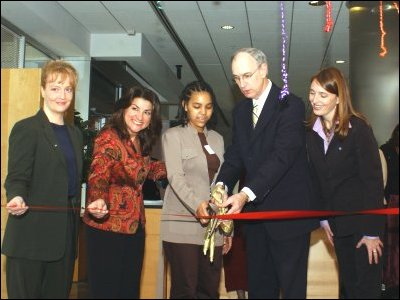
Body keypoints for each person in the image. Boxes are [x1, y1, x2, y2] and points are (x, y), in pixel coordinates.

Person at [215, 48, 318, 299]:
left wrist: (245, 194)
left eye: (247, 75)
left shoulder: (290, 105)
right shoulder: (240, 112)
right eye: (237, 78)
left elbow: (282, 157)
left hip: (288, 217)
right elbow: (236, 156)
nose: (242, 84)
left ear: (264, 69)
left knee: (293, 291)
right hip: (255, 221)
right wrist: (220, 185)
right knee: (260, 290)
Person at [2, 60, 83, 298]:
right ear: (42, 91)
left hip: (65, 239)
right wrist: (16, 195)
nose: (62, 95)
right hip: (31, 237)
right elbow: (17, 175)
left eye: (68, 89)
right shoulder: (27, 128)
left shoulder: (75, 134)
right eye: (55, 88)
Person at [306, 67, 385, 299]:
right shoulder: (312, 133)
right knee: (348, 289)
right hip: (338, 226)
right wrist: (324, 218)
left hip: (363, 226)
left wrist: (372, 232)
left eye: (323, 94)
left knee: (365, 290)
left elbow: (373, 181)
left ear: (338, 97)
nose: (315, 100)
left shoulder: (358, 128)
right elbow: (318, 180)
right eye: (312, 93)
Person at [82, 86, 166, 299]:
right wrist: (98, 199)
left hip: (134, 226)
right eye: (135, 109)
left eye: (147, 112)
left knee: (128, 290)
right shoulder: (109, 138)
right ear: (123, 109)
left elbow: (143, 170)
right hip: (108, 226)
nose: (140, 117)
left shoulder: (140, 141)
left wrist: (174, 168)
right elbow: (98, 173)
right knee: (107, 292)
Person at [161, 81, 232, 299]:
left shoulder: (218, 139)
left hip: (213, 228)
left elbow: (223, 183)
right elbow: (175, 176)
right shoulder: (173, 136)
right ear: (185, 105)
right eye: (197, 106)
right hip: (182, 224)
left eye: (208, 107)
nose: (203, 112)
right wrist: (197, 205)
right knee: (185, 290)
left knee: (209, 290)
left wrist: (229, 227)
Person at [380, 124, 399, 299]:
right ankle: (389, 280)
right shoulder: (385, 150)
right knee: (390, 244)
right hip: (391, 202)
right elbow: (382, 179)